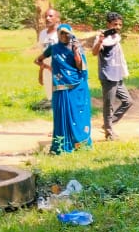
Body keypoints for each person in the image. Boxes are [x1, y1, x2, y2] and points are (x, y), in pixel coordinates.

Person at [34, 24, 94, 153]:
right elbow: (38, 60)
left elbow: (79, 67)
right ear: (58, 34)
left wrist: (76, 51)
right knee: (61, 115)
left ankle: (79, 143)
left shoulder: (76, 48)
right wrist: (47, 67)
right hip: (60, 88)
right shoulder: (53, 49)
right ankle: (62, 145)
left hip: (76, 87)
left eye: (67, 33)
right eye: (61, 33)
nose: (64, 36)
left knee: (77, 115)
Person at [92, 12, 131, 140]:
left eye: (120, 24)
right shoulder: (103, 38)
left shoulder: (116, 37)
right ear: (108, 24)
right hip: (108, 75)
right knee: (109, 105)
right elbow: (94, 52)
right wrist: (100, 41)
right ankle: (109, 133)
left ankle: (108, 124)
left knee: (128, 101)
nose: (118, 27)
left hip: (118, 75)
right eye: (115, 24)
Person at [34, 8, 60, 109]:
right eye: (46, 16)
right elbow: (42, 56)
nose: (47, 18)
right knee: (50, 95)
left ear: (57, 18)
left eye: (50, 16)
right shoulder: (43, 34)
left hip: (59, 69)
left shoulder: (61, 33)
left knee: (60, 93)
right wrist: (41, 72)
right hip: (47, 69)